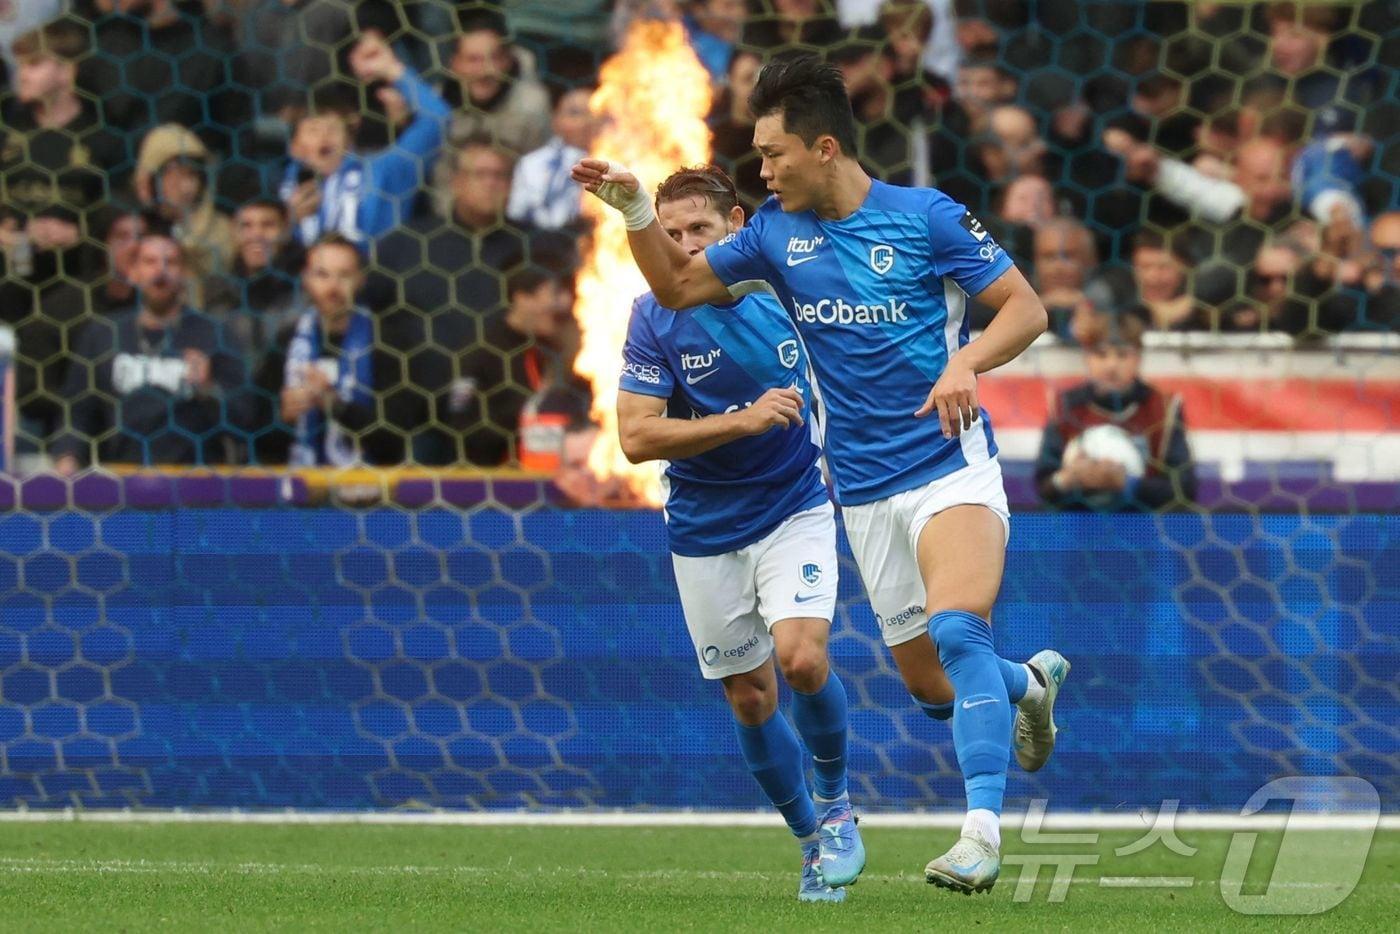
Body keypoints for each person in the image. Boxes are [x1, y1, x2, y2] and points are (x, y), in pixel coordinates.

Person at [574, 54, 1068, 894]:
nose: (762, 173)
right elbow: (676, 284)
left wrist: (968, 365)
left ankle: (982, 831)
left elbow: (1027, 308)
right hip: (866, 492)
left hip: (949, 462)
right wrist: (630, 210)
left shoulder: (927, 218)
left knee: (956, 630)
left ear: (825, 147)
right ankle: (1026, 685)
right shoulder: (772, 235)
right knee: (933, 687)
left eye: (772, 156)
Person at [616, 165, 862, 902]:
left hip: (795, 504)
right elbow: (634, 437)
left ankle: (838, 803)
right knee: (751, 701)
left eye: (701, 230)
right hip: (702, 524)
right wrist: (743, 419)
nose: (687, 246)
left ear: (736, 225)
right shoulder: (651, 314)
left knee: (803, 660)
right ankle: (811, 843)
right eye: (673, 233)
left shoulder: (785, 287)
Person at [51, 231, 246, 474]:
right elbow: (76, 411)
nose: (160, 271)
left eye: (171, 262)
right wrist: (67, 458)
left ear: (184, 273)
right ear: (133, 272)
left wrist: (208, 389)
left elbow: (245, 418)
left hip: (195, 483)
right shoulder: (103, 333)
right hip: (121, 478)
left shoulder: (214, 334)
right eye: (150, 261)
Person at [280, 32, 449, 247]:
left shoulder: (383, 171)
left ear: (349, 140)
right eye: (313, 130)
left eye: (333, 128)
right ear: (294, 147)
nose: (325, 136)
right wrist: (288, 222)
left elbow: (437, 119)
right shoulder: (281, 189)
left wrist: (392, 70)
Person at [1035, 313, 1197, 511]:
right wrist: (1068, 479)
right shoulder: (1065, 406)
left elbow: (1185, 489)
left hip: (1144, 529)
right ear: (1087, 357)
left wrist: (1127, 483)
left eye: (1122, 354)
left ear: (1138, 357)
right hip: (1077, 528)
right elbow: (1043, 486)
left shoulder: (1164, 409)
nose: (1111, 365)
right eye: (1101, 354)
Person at [276, 234, 403, 467]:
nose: (333, 287)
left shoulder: (387, 341)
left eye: (344, 275)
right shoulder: (288, 339)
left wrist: (335, 405)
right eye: (322, 275)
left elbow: (395, 441)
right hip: (301, 489)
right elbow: (257, 430)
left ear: (360, 280)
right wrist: (283, 416)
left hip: (368, 491)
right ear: (305, 279)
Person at [446, 266, 590, 468]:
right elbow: (462, 425)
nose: (564, 302)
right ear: (521, 297)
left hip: (563, 476)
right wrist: (525, 419)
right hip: (499, 478)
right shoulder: (480, 352)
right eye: (554, 293)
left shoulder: (557, 351)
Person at [506, 86, 596, 230]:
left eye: (594, 113)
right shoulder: (531, 164)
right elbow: (517, 215)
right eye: (575, 113)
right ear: (555, 119)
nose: (586, 121)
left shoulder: (622, 161)